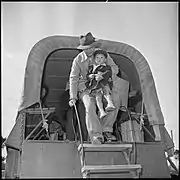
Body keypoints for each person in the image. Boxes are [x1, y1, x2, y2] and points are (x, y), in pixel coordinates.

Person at [68, 32, 119, 144]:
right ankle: (96, 135)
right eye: (86, 48)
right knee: (90, 105)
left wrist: (105, 74)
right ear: (82, 49)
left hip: (102, 85)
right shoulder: (78, 60)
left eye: (91, 48)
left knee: (115, 100)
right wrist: (73, 97)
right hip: (86, 88)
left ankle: (106, 129)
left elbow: (115, 69)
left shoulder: (103, 55)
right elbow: (73, 78)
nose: (89, 50)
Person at [85, 49, 116, 120]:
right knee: (98, 98)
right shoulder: (91, 67)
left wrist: (101, 76)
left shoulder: (106, 67)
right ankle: (101, 111)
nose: (99, 59)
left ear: (105, 59)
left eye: (101, 58)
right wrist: (90, 76)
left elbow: (108, 73)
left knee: (106, 91)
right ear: (94, 59)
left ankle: (110, 103)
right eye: (97, 58)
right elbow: (87, 75)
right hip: (95, 86)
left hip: (103, 83)